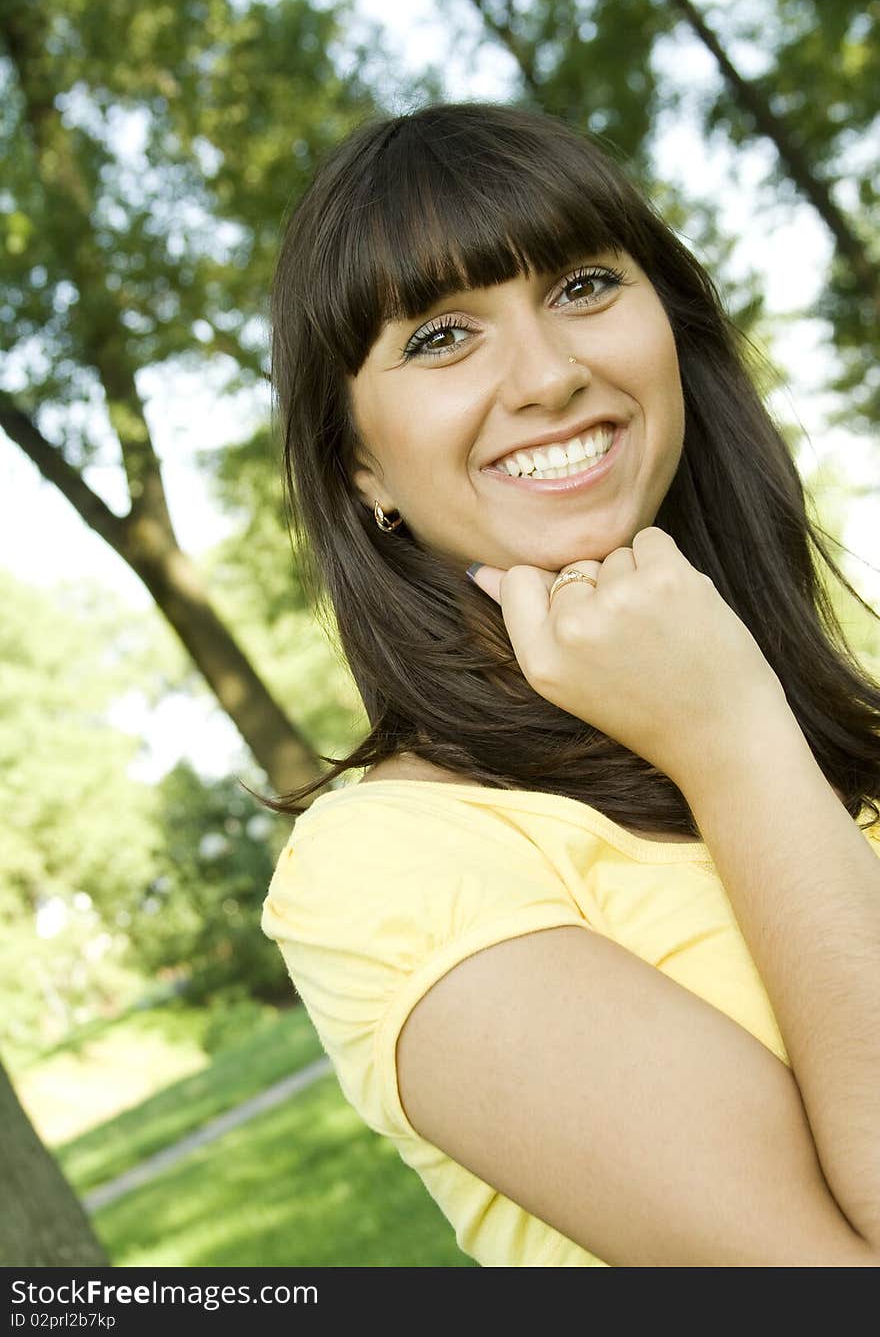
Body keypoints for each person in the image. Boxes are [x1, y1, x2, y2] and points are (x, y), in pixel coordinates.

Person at [257, 101, 880, 1267]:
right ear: (357, 465)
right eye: (440, 336)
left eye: (584, 285)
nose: (547, 373)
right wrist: (728, 740)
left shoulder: (834, 709)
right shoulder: (383, 867)